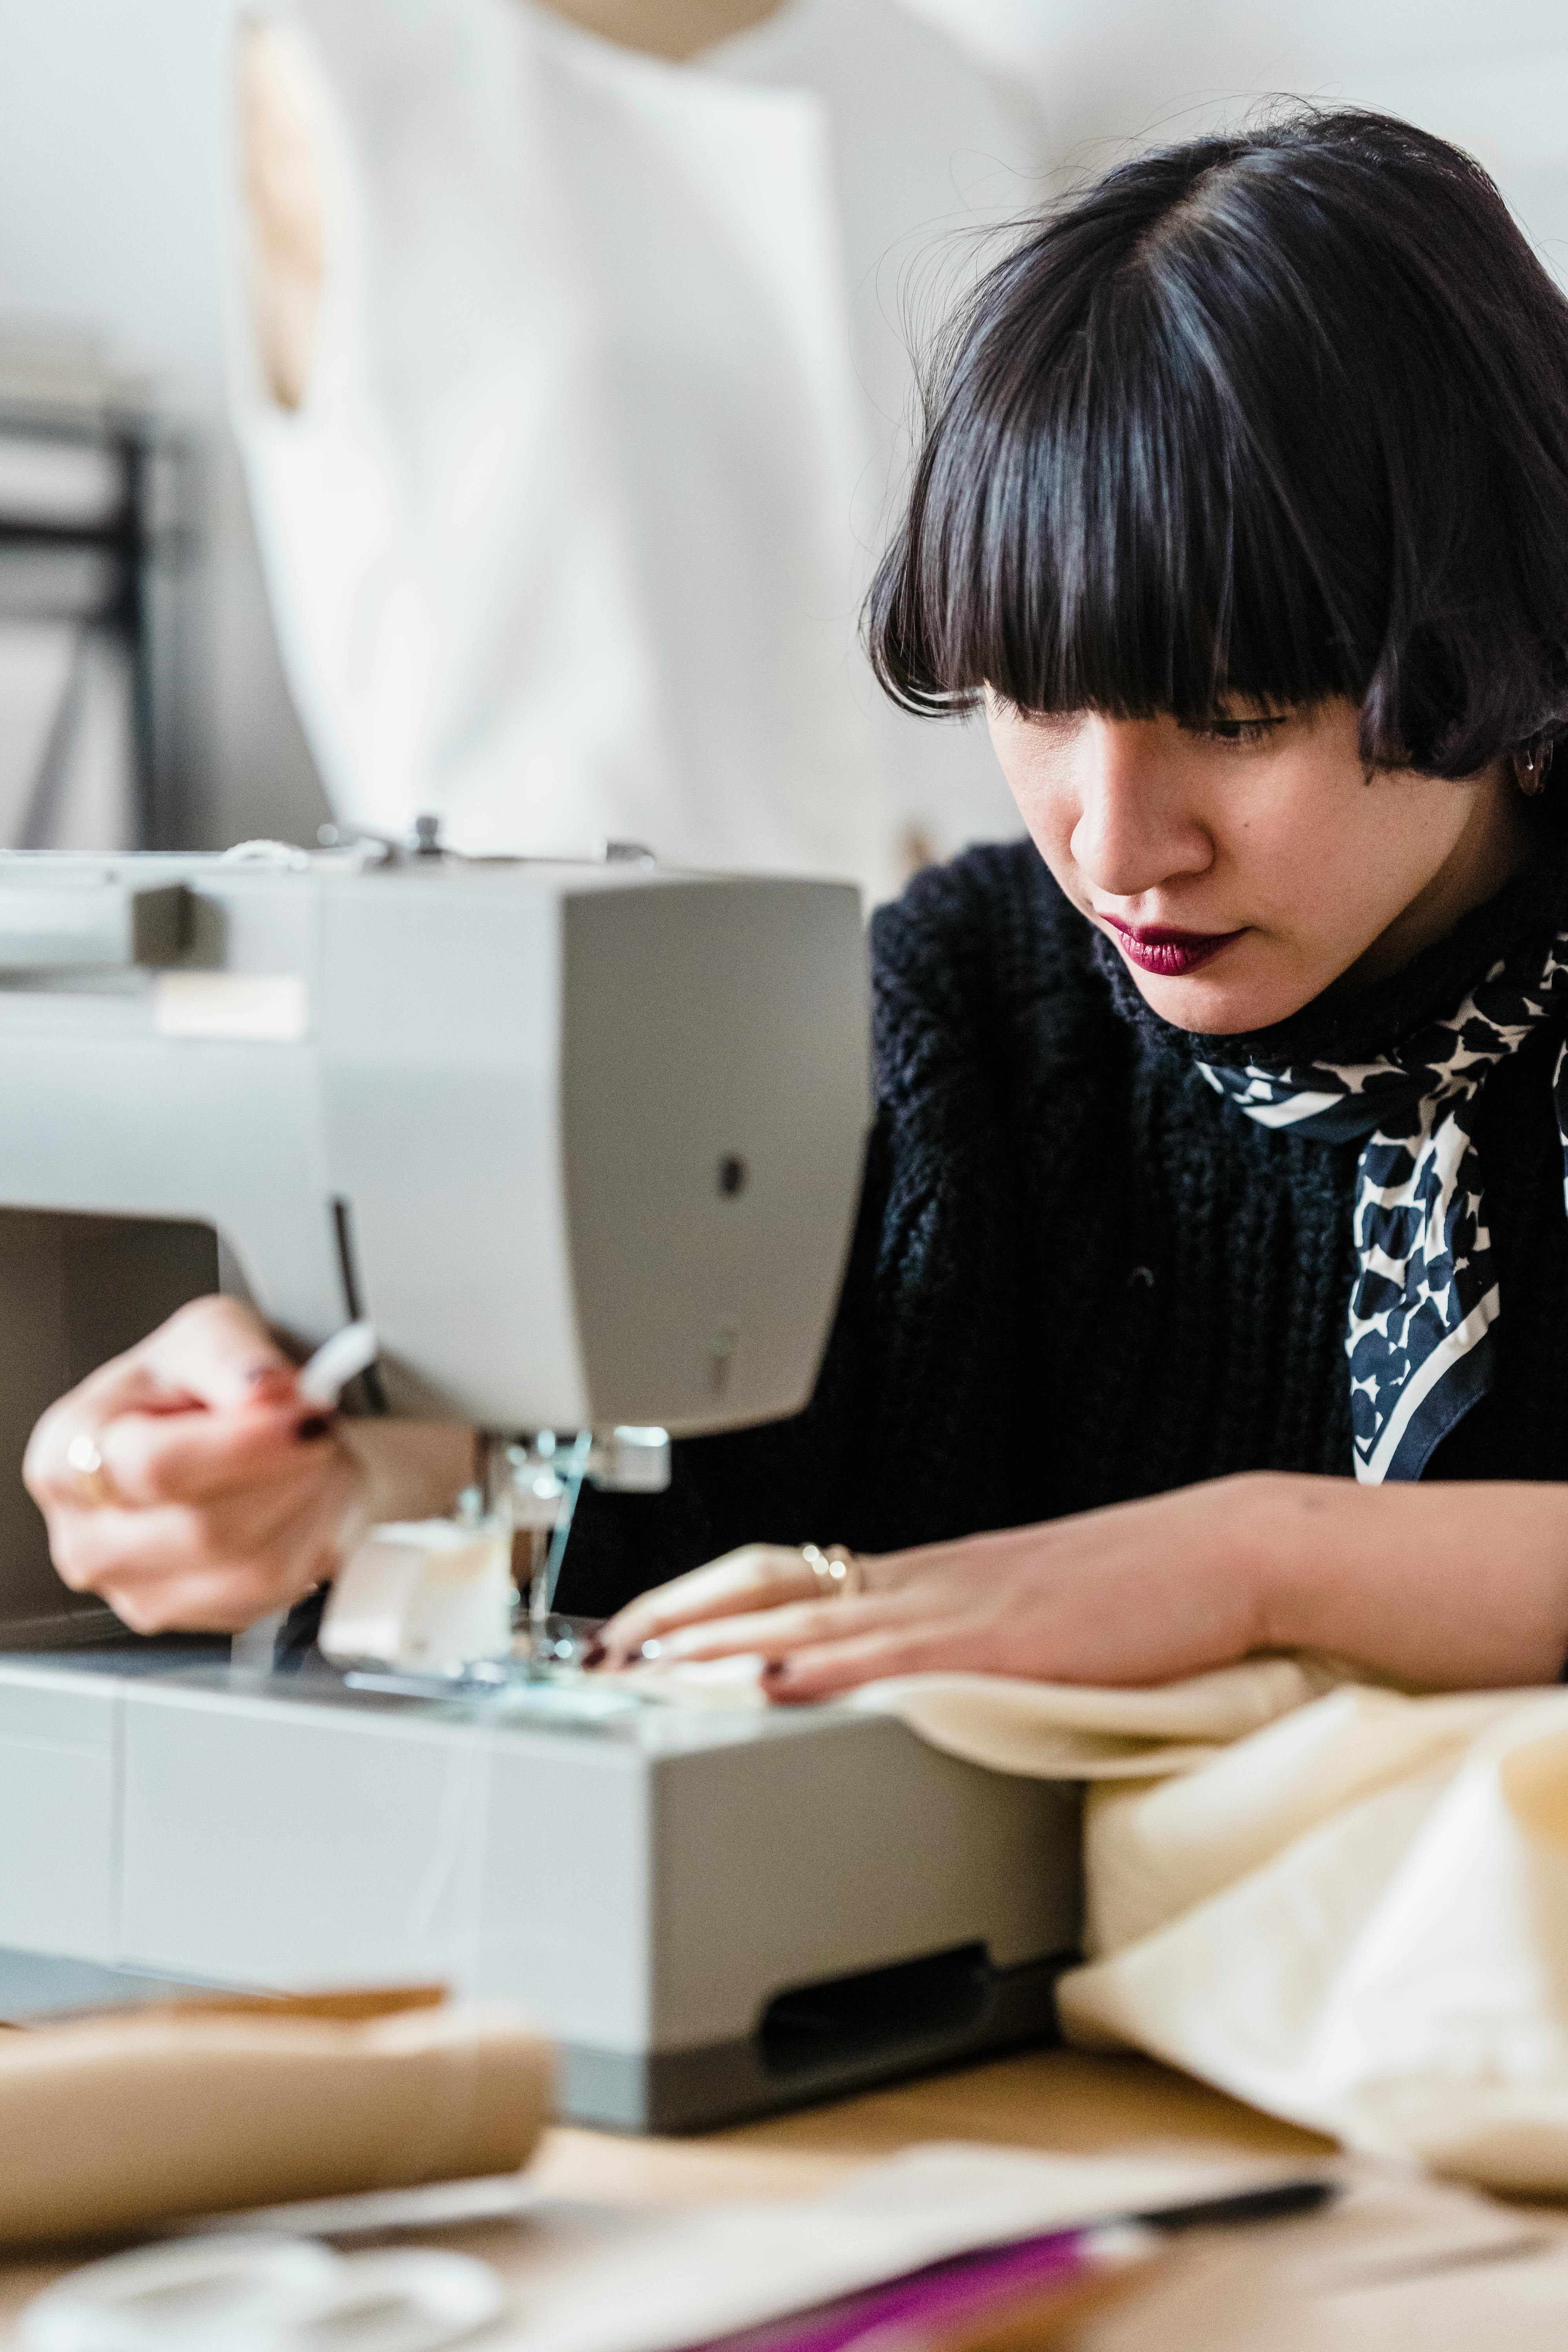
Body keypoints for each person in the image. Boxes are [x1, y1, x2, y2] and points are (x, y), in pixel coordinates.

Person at [27, 107, 1568, 1697]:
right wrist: (342, 1482)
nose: (1113, 849)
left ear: (1496, 630)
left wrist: (1243, 1566)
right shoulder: (969, 1017)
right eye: (1033, 707)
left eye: (1238, 723)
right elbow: (686, 1468)